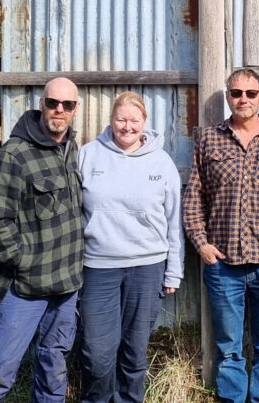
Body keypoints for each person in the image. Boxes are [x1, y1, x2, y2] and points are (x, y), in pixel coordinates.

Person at [182, 68, 259, 403]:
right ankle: (232, 398)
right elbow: (193, 197)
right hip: (223, 265)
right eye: (237, 93)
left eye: (251, 93)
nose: (244, 100)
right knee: (228, 348)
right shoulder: (209, 139)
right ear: (228, 96)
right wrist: (202, 244)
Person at [0, 77, 85, 403]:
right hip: (23, 290)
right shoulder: (14, 155)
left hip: (65, 289)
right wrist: (24, 263)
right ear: (41, 104)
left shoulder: (71, 150)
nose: (59, 110)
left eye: (67, 104)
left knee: (53, 371)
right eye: (52, 103)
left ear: (75, 109)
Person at [78, 91, 185, 403]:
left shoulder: (161, 162)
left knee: (134, 352)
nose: (127, 126)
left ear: (145, 122)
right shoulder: (88, 155)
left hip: (147, 267)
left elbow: (174, 220)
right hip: (98, 267)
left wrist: (173, 272)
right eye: (121, 119)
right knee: (97, 353)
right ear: (111, 120)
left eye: (134, 120)